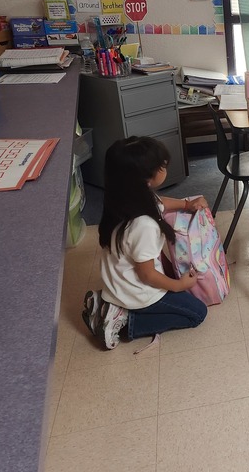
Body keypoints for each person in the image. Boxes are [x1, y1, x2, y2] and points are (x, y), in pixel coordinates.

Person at [81, 136, 209, 350]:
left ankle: (108, 304)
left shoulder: (124, 197)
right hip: (138, 294)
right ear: (145, 179)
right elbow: (147, 275)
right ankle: (124, 320)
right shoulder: (145, 225)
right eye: (161, 167)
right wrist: (179, 286)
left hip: (118, 284)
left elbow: (160, 203)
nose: (165, 168)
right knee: (197, 313)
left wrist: (186, 204)